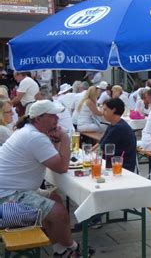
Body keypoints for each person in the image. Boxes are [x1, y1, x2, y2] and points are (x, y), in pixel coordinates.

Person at [0, 100, 92, 256]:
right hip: (6, 204)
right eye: (52, 116)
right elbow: (62, 167)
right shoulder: (35, 137)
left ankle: (61, 250)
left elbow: (54, 159)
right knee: (59, 212)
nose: (57, 119)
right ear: (38, 119)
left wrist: (55, 141)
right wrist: (64, 138)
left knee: (55, 198)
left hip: (14, 193)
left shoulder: (29, 132)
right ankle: (73, 247)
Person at [98, 98, 137, 172]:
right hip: (114, 165)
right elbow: (99, 145)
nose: (103, 113)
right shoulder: (115, 124)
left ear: (113, 110)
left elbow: (100, 150)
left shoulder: (118, 128)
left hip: (121, 168)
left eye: (105, 110)